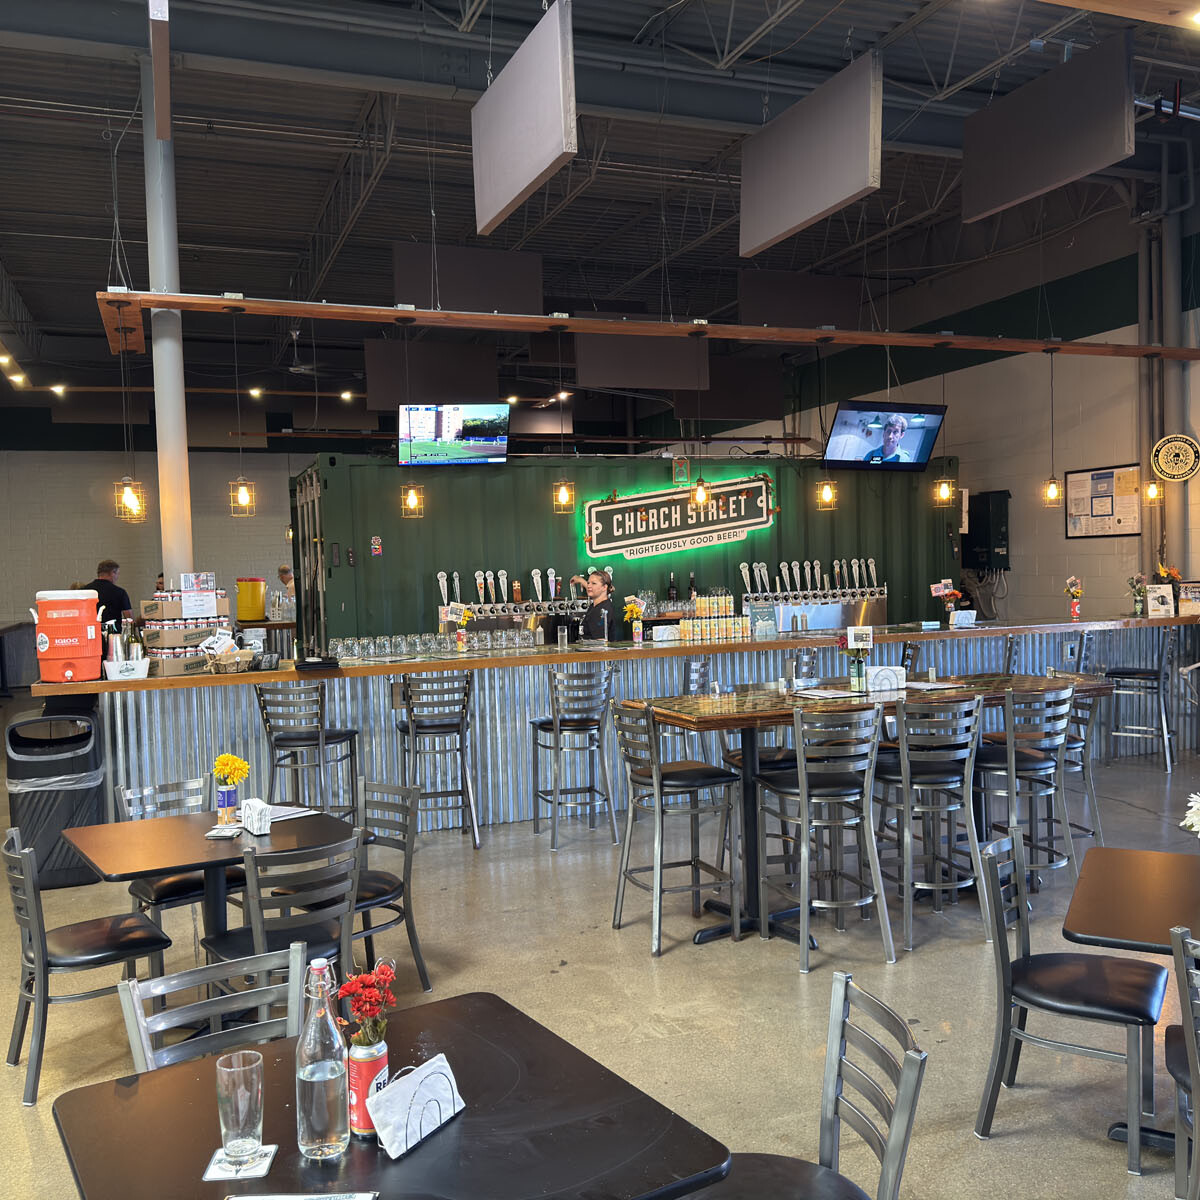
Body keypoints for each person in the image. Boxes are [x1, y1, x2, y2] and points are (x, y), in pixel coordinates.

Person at [570, 568, 616, 641]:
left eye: (593, 583)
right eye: (588, 583)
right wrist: (580, 580)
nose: (589, 586)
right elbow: (594, 589)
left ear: (604, 587)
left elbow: (600, 642)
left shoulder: (602, 610)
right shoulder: (595, 605)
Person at [86, 558, 133, 630]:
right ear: (112, 573)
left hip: (91, 632)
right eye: (117, 574)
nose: (117, 577)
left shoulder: (85, 591)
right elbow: (129, 618)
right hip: (113, 634)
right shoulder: (120, 592)